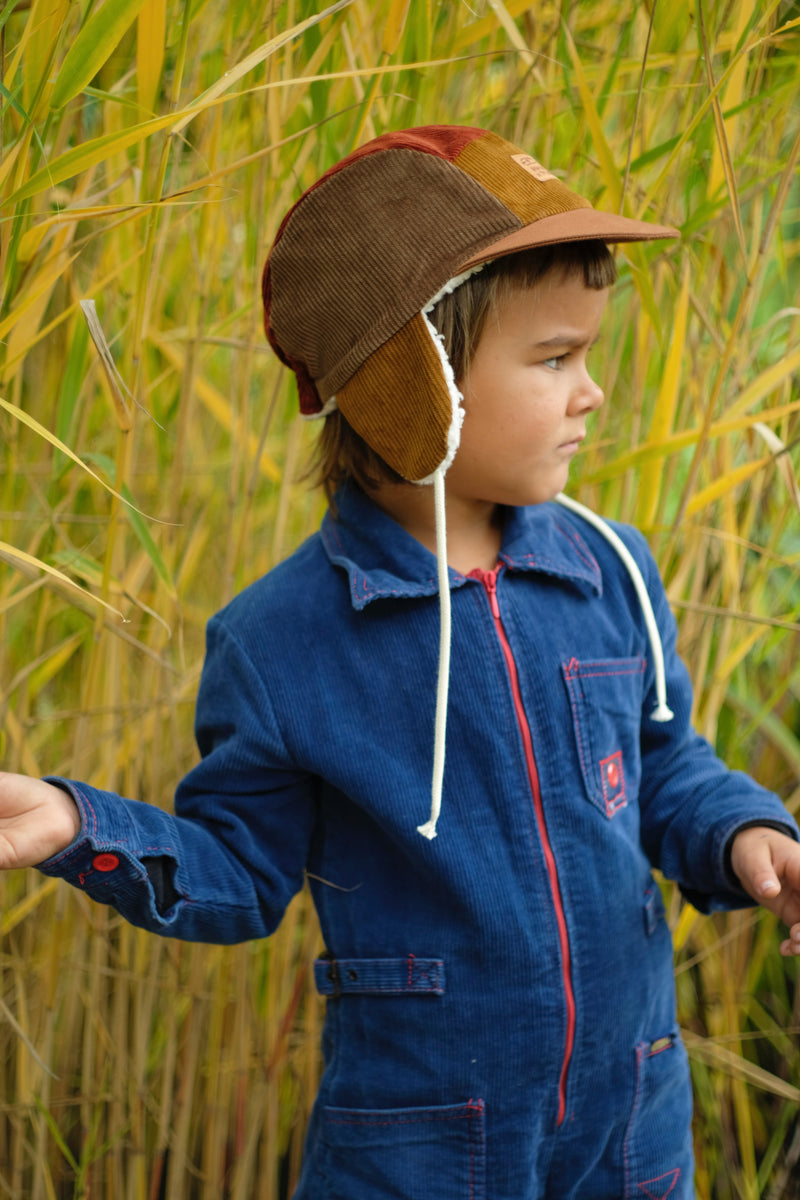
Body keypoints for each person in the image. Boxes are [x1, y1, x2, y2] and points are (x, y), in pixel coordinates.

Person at [2, 125, 800, 1200]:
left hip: (631, 1130)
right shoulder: (283, 639)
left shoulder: (609, 568)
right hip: (419, 1152)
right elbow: (237, 874)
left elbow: (661, 766)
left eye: (588, 355)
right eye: (554, 358)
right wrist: (76, 826)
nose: (589, 392)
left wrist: (746, 832)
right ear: (410, 383)